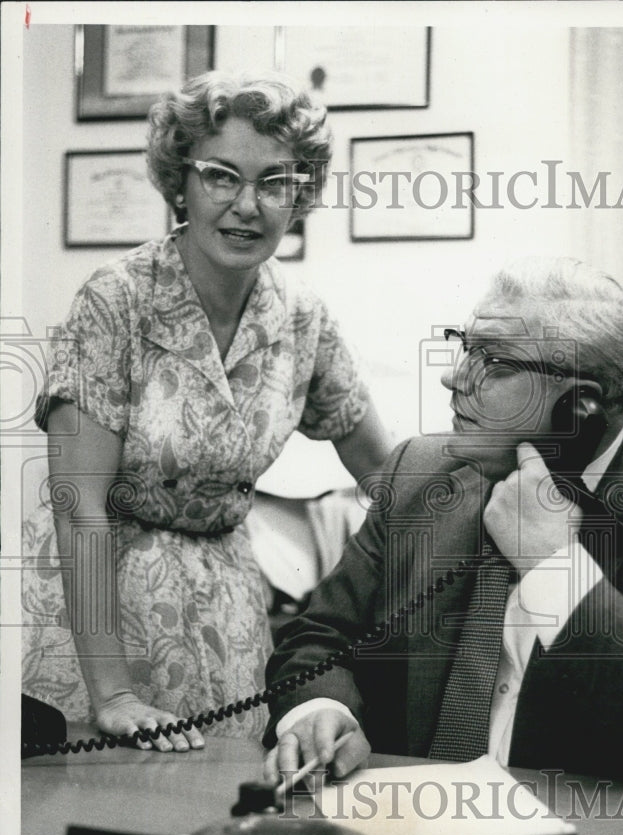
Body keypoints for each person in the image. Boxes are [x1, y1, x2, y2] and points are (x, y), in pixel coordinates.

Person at [262, 257, 623, 783]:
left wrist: (553, 567)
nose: (452, 377)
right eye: (464, 347)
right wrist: (322, 709)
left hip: (584, 827)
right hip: (406, 810)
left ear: (580, 408)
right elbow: (320, 635)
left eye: (493, 362)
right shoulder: (417, 474)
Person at [22, 71, 392, 751]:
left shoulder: (302, 316)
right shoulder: (114, 301)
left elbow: (385, 474)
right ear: (180, 183)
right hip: (103, 625)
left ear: (300, 193)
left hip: (229, 616)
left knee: (217, 793)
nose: (247, 205)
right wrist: (115, 694)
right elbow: (80, 508)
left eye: (274, 182)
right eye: (221, 176)